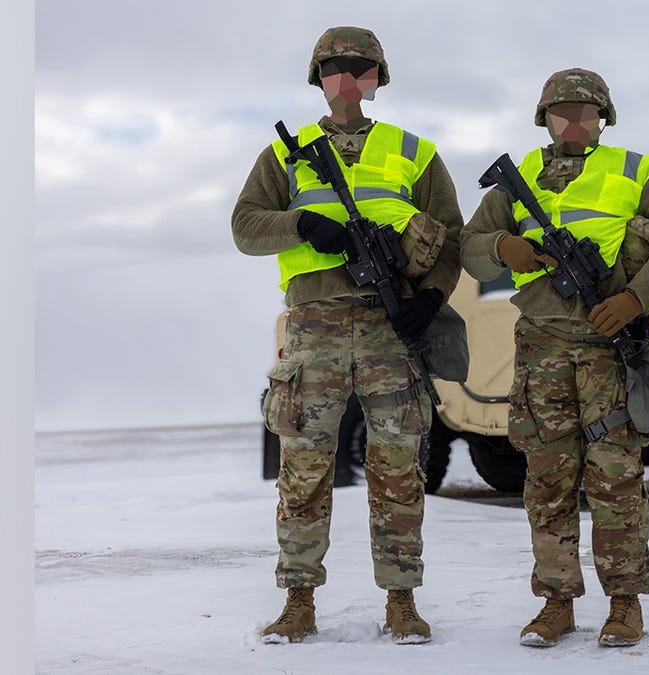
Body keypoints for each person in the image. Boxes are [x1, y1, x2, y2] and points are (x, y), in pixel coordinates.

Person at [231, 26, 462, 645]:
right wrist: (304, 224)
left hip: (392, 324)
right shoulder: (286, 153)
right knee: (303, 467)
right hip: (315, 326)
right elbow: (245, 226)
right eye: (336, 68)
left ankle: (402, 602)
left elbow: (452, 237)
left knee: (399, 468)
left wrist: (432, 298)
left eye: (362, 69)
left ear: (377, 79)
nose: (348, 79)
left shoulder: (414, 151)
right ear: (319, 79)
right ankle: (298, 601)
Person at [461, 68, 649, 648]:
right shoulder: (517, 180)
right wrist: (503, 247)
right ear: (544, 118)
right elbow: (469, 249)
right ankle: (556, 604)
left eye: (585, 112)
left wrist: (635, 299)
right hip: (541, 345)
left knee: (616, 477)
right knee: (546, 479)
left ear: (603, 119)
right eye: (561, 112)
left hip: (611, 346)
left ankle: (624, 605)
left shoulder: (640, 171)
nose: (573, 122)